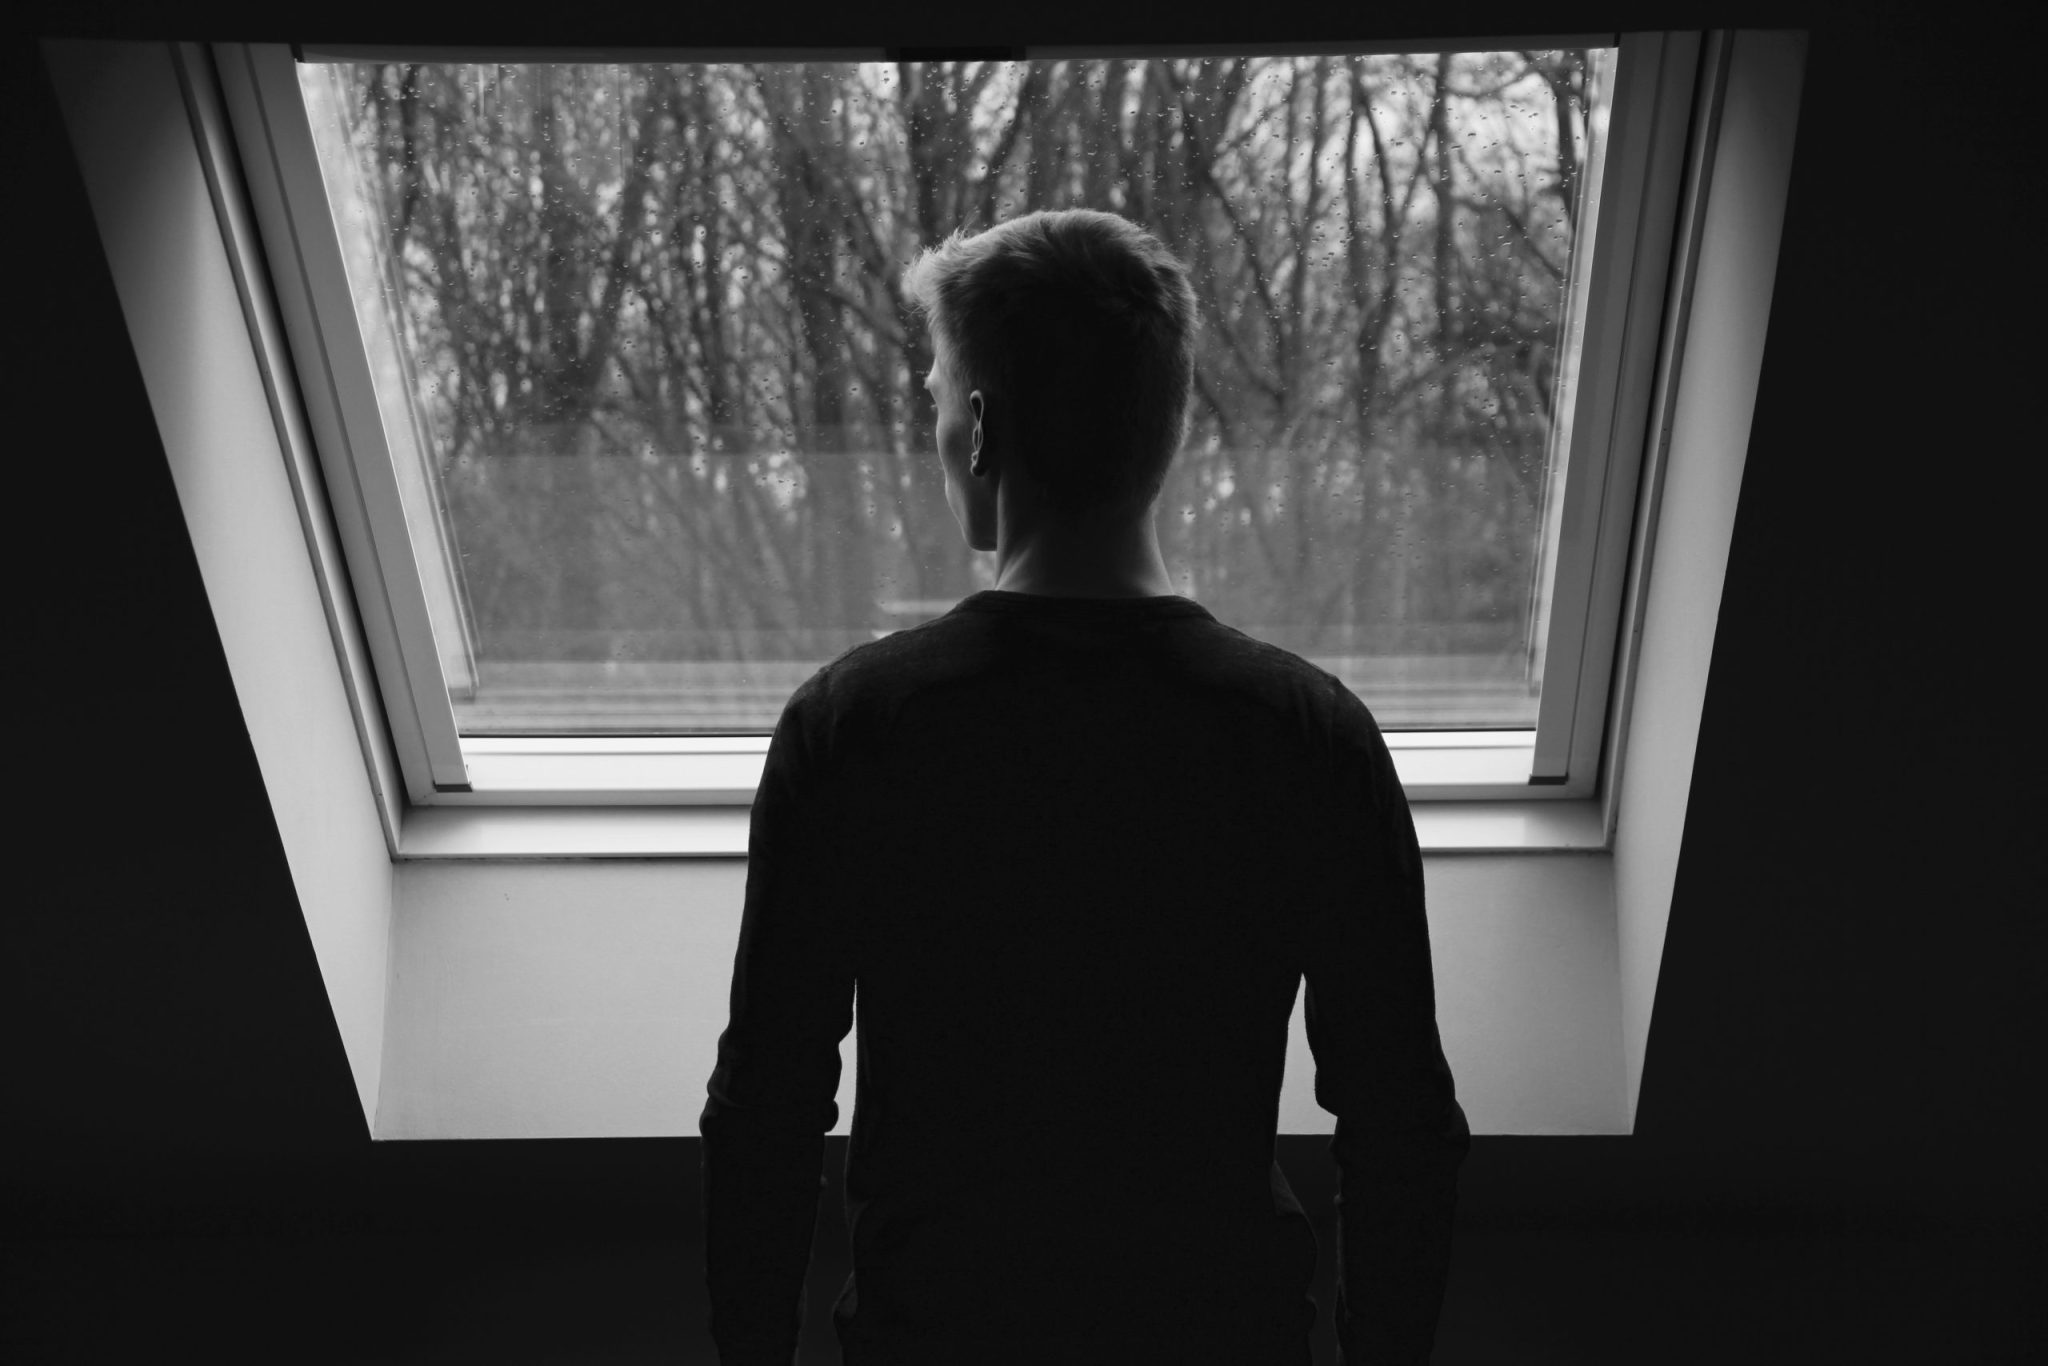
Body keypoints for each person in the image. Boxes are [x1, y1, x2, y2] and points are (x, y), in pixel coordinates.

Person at [700, 208, 1471, 1366]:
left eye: (934, 396)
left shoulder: (856, 729)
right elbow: (1398, 1122)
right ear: (1161, 428)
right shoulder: (1307, 738)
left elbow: (765, 1113)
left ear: (980, 430)